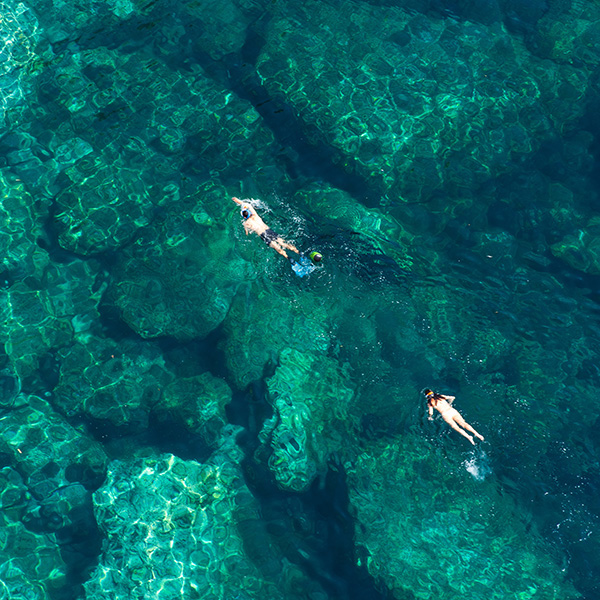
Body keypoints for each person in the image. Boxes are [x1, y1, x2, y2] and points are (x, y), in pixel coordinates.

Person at [232, 197, 300, 260]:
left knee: (277, 248)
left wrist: (247, 231)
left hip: (263, 235)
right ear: (249, 213)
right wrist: (239, 201)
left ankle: (289, 258)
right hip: (268, 230)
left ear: (244, 217)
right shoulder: (255, 215)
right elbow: (248, 205)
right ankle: (299, 252)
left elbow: (247, 233)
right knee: (283, 243)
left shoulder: (246, 224)